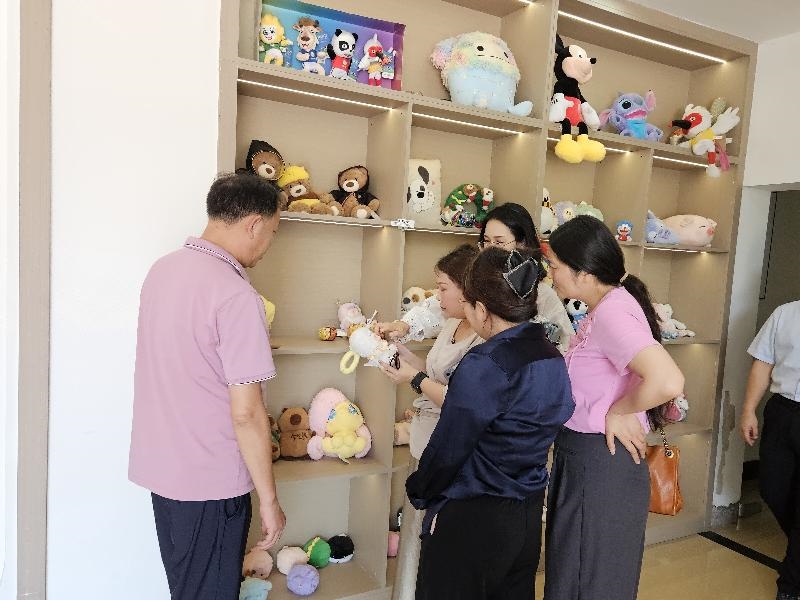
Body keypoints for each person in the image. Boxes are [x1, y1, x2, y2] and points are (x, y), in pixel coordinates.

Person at [128, 173, 287, 600]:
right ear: (254, 224)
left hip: (162, 469)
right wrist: (269, 500)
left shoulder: (162, 271)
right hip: (210, 481)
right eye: (272, 232)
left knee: (187, 588)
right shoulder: (236, 296)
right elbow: (247, 412)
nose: (268, 245)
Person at [406, 248, 575, 600]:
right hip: (527, 514)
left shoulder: (486, 363)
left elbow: (449, 448)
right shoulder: (551, 356)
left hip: (474, 513)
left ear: (482, 310)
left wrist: (420, 489)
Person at [543, 215, 685, 600]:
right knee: (580, 576)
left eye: (555, 267)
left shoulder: (612, 313)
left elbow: (668, 381)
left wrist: (620, 411)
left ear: (584, 273)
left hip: (599, 465)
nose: (551, 276)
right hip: (587, 461)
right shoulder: (606, 308)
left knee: (587, 581)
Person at [376, 244, 483, 600]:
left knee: (441, 544)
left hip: (449, 451)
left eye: (442, 288)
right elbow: (436, 376)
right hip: (423, 442)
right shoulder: (451, 323)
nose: (436, 296)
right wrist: (408, 360)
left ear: (466, 290)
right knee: (416, 538)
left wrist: (414, 379)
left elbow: (462, 402)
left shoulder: (483, 339)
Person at [739, 300, 800, 600]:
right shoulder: (785, 314)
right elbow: (763, 363)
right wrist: (748, 409)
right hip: (783, 412)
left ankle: (789, 586)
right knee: (771, 488)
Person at [479, 202, 574, 353]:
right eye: (486, 241)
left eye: (499, 242)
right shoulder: (478, 287)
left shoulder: (542, 294)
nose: (490, 250)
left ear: (522, 244)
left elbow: (567, 347)